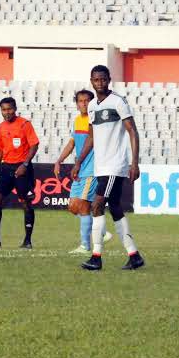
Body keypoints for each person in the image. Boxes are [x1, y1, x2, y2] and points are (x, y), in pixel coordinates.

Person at [71, 65, 144, 271]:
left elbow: (132, 131)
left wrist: (134, 163)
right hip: (99, 166)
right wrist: (78, 161)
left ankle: (96, 256)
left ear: (109, 80)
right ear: (92, 81)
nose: (100, 83)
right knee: (115, 209)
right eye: (96, 80)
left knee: (96, 204)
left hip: (115, 165)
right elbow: (91, 138)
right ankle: (134, 255)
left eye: (103, 79)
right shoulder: (93, 105)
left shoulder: (118, 102)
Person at [54, 89, 112, 254]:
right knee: (73, 207)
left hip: (91, 168)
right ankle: (102, 232)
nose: (84, 103)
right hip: (79, 168)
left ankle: (85, 245)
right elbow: (72, 143)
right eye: (81, 101)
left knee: (83, 206)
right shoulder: (77, 120)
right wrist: (59, 160)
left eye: (87, 100)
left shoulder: (96, 121)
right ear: (77, 103)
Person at [0, 97, 39, 249]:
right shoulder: (1, 127)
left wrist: (25, 164)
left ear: (15, 108)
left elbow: (34, 145)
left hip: (22, 168)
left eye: (9, 109)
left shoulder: (25, 124)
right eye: (4, 110)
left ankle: (27, 240)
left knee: (25, 203)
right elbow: (1, 149)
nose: (7, 112)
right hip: (6, 168)